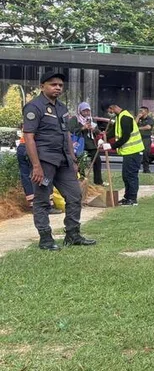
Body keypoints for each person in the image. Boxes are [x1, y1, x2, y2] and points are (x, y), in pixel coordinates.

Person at [21, 71, 96, 251]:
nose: (57, 88)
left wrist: (73, 158)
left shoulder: (61, 107)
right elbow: (29, 137)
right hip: (44, 161)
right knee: (42, 201)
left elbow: (67, 134)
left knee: (75, 196)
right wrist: (36, 166)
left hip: (64, 160)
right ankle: (45, 239)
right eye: (53, 84)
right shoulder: (34, 107)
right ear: (42, 86)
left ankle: (73, 234)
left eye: (60, 85)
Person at [104, 103, 144, 206]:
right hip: (128, 152)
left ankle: (132, 199)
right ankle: (127, 197)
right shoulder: (119, 117)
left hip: (134, 151)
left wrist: (111, 146)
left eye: (109, 111)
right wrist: (103, 138)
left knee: (131, 176)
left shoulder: (126, 118)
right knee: (126, 176)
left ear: (112, 108)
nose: (109, 114)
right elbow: (113, 132)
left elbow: (125, 137)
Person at [68, 102, 103, 186]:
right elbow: (71, 131)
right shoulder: (75, 119)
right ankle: (82, 180)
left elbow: (98, 132)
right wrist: (83, 128)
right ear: (80, 111)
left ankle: (98, 181)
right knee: (81, 162)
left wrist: (94, 129)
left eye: (88, 111)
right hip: (80, 144)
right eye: (84, 111)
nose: (87, 113)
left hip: (90, 144)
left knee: (97, 160)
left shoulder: (91, 119)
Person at [16, 128, 35, 207]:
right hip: (31, 147)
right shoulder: (38, 120)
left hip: (22, 146)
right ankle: (47, 204)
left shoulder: (27, 121)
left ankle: (32, 203)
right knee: (42, 173)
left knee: (26, 176)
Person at [137, 106, 154, 173]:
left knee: (145, 154)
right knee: (137, 154)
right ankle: (136, 168)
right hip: (138, 138)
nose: (140, 112)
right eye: (140, 111)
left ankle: (146, 169)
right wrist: (137, 117)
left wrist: (138, 128)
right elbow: (134, 125)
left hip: (146, 138)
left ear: (146, 112)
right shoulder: (139, 118)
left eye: (142, 111)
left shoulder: (149, 119)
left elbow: (148, 127)